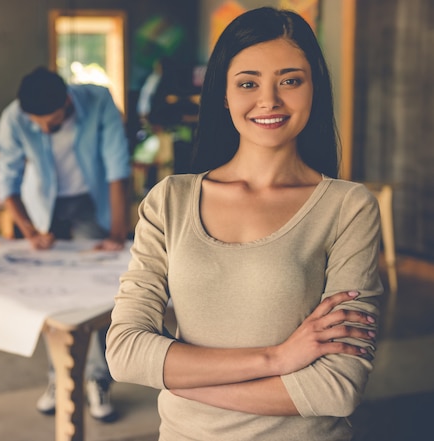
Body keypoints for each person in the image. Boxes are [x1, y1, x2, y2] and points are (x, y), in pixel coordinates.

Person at [106, 7, 383, 441]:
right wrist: (276, 359)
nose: (269, 100)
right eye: (248, 83)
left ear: (314, 89)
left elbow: (336, 388)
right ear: (224, 94)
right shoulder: (170, 201)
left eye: (290, 80)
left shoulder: (348, 208)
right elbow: (125, 354)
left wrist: (175, 375)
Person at [0, 67, 131, 421]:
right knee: (49, 293)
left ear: (67, 102)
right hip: (43, 208)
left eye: (51, 123)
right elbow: (6, 182)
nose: (43, 129)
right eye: (36, 123)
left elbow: (117, 166)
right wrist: (29, 231)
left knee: (99, 293)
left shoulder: (99, 102)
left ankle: (97, 379)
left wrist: (117, 232)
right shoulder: (13, 119)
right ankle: (59, 376)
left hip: (90, 203)